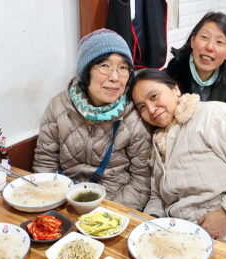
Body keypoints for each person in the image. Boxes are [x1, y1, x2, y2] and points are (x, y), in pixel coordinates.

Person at [130, 69, 226, 259]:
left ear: (176, 89)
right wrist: (149, 226)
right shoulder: (159, 140)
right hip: (190, 246)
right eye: (142, 107)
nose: (151, 109)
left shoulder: (214, 114)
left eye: (154, 96)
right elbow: (158, 196)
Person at [33, 29, 152, 211]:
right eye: (104, 66)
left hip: (113, 204)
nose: (114, 77)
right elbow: (45, 162)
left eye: (123, 68)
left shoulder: (134, 116)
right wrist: (51, 206)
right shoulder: (59, 106)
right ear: (86, 70)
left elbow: (141, 181)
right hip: (65, 201)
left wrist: (109, 213)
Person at [165, 12, 226, 106]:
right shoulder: (170, 75)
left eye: (219, 42)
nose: (209, 47)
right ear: (193, 41)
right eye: (204, 37)